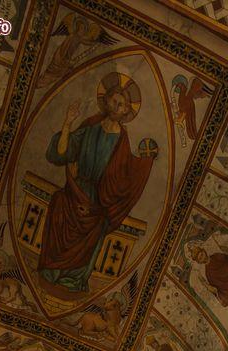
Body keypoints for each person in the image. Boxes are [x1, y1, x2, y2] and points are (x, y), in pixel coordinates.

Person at [38, 74, 157, 292]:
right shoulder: (90, 125)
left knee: (97, 226)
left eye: (121, 104)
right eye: (113, 100)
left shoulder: (122, 140)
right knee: (58, 204)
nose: (116, 105)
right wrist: (67, 123)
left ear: (126, 112)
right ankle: (51, 270)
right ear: (105, 100)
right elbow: (61, 153)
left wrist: (146, 163)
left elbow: (124, 177)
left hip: (98, 199)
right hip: (75, 190)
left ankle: (73, 279)